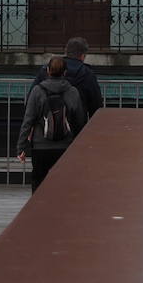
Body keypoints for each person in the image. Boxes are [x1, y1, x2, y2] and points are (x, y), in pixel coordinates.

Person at [16, 55, 89, 193]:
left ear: (48, 71)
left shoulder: (37, 91)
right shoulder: (73, 92)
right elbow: (80, 121)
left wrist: (21, 147)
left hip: (40, 146)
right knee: (64, 185)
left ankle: (38, 211)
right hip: (65, 146)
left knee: (38, 182)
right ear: (65, 73)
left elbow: (28, 120)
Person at [31, 36, 103, 117]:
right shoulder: (87, 74)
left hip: (46, 124)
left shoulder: (47, 69)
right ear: (83, 56)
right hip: (75, 123)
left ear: (66, 52)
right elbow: (96, 105)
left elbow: (31, 99)